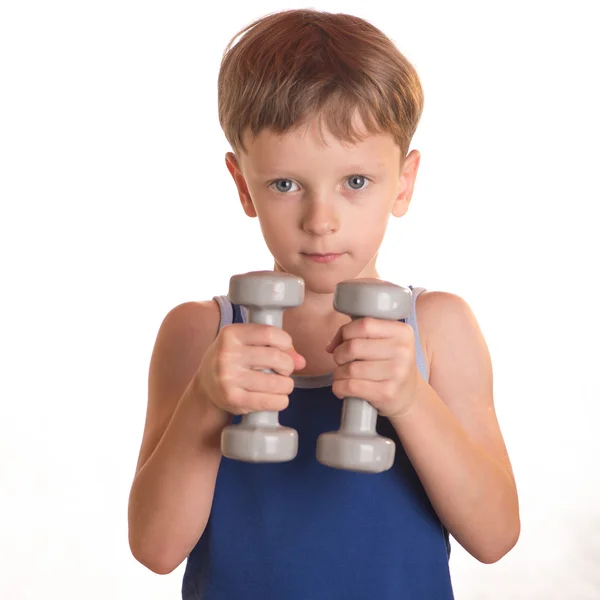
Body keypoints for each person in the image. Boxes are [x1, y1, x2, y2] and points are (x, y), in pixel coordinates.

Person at [127, 8, 520, 599]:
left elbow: (495, 536)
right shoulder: (198, 332)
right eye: (286, 184)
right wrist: (206, 401)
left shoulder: (439, 327)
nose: (320, 221)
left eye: (355, 182)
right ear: (243, 185)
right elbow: (155, 550)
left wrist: (411, 398)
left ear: (404, 182)